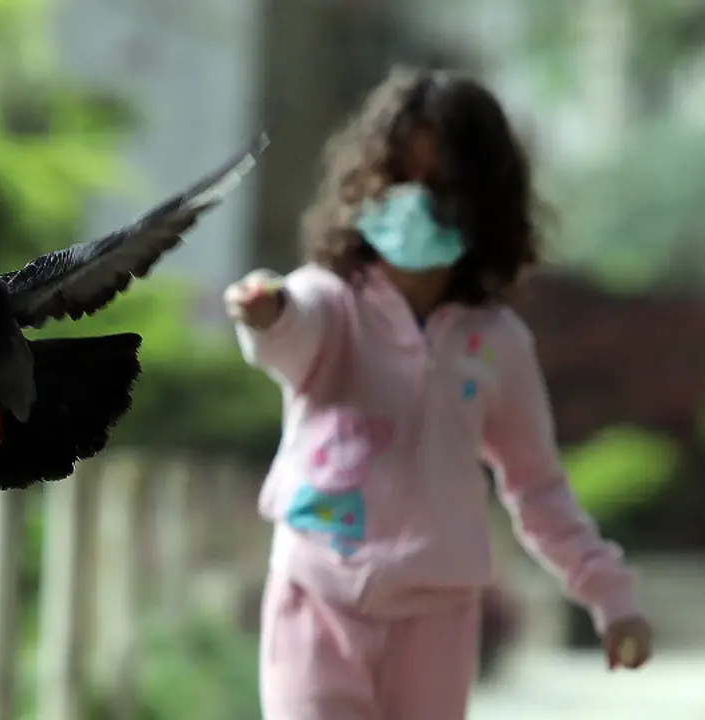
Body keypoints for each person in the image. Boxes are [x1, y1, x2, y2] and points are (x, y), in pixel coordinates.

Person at [224, 67, 653, 720]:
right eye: (400, 179)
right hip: (317, 599)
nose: (417, 203)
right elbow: (290, 333)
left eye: (442, 186)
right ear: (365, 184)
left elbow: (537, 488)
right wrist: (265, 313)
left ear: (484, 203)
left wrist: (610, 596)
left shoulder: (498, 345)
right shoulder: (330, 303)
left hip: (437, 617)